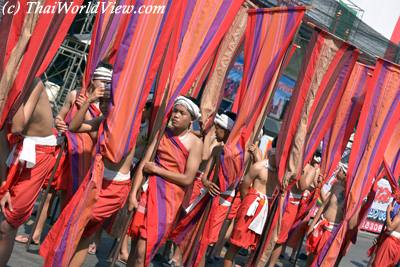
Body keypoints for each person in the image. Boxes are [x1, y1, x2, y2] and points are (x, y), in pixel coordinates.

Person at [14, 68, 104, 247]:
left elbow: (96, 136)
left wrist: (85, 106)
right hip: (65, 147)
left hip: (83, 155)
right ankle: (36, 233)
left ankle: (59, 238)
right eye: (97, 79)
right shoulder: (74, 94)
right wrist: (60, 123)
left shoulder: (104, 107)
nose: (101, 84)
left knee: (68, 197)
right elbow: (60, 116)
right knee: (48, 193)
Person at [127, 96, 203, 267]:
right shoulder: (162, 133)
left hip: (168, 201)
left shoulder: (195, 143)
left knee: (143, 250)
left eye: (181, 113)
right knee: (135, 248)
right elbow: (144, 164)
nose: (176, 115)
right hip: (147, 193)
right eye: (175, 111)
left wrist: (157, 170)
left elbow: (188, 178)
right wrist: (133, 193)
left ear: (191, 119)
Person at [0, 79, 58, 266]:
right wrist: (3, 187)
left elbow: (17, 125)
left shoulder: (32, 82)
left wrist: (13, 89)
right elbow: (3, 138)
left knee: (7, 224)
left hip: (37, 156)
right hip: (12, 146)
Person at [224, 139, 279, 267]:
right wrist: (248, 203)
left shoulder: (281, 173)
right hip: (251, 206)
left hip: (266, 209)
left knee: (255, 249)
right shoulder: (259, 166)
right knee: (235, 246)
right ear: (272, 151)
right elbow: (244, 185)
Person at [268, 154, 321, 266]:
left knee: (280, 238)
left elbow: (302, 187)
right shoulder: (291, 159)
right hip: (279, 198)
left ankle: (271, 265)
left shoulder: (311, 170)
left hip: (292, 204)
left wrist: (300, 172)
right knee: (268, 232)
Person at [305, 164, 347, 265]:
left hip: (332, 230)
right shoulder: (336, 185)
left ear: (345, 174)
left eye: (340, 170)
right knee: (311, 255)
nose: (338, 171)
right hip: (321, 224)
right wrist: (312, 224)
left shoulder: (351, 194)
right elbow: (324, 205)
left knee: (321, 259)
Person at [370, 200, 400, 267]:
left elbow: (390, 227)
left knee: (378, 264)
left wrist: (388, 211)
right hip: (395, 243)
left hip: (391, 243)